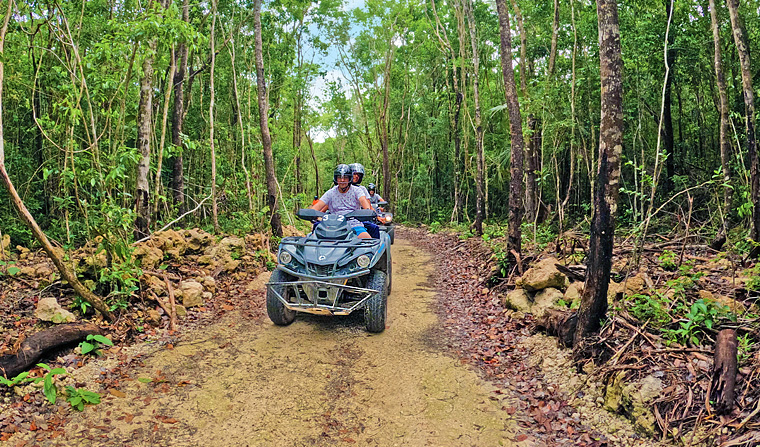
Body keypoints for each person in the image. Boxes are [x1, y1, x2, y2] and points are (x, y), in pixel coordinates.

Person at [311, 164, 372, 239]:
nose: (342, 180)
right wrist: (310, 213)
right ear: (336, 178)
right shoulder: (331, 192)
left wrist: (367, 211)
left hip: (353, 224)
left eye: (345, 177)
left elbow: (363, 200)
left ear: (349, 178)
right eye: (339, 177)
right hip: (331, 226)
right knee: (312, 239)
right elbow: (318, 205)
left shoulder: (357, 190)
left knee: (367, 240)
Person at [349, 163, 380, 239]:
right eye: (354, 174)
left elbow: (368, 207)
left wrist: (377, 216)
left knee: (374, 228)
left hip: (356, 219)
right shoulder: (336, 189)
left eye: (358, 175)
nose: (356, 176)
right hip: (338, 220)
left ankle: (374, 249)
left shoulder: (361, 189)